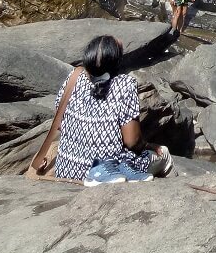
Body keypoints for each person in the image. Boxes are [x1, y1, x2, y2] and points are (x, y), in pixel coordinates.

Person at [53, 35, 173, 184]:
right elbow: (132, 142)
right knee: (165, 154)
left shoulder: (74, 76)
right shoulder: (124, 84)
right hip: (109, 170)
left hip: (67, 168)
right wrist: (149, 146)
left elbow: (59, 124)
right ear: (116, 62)